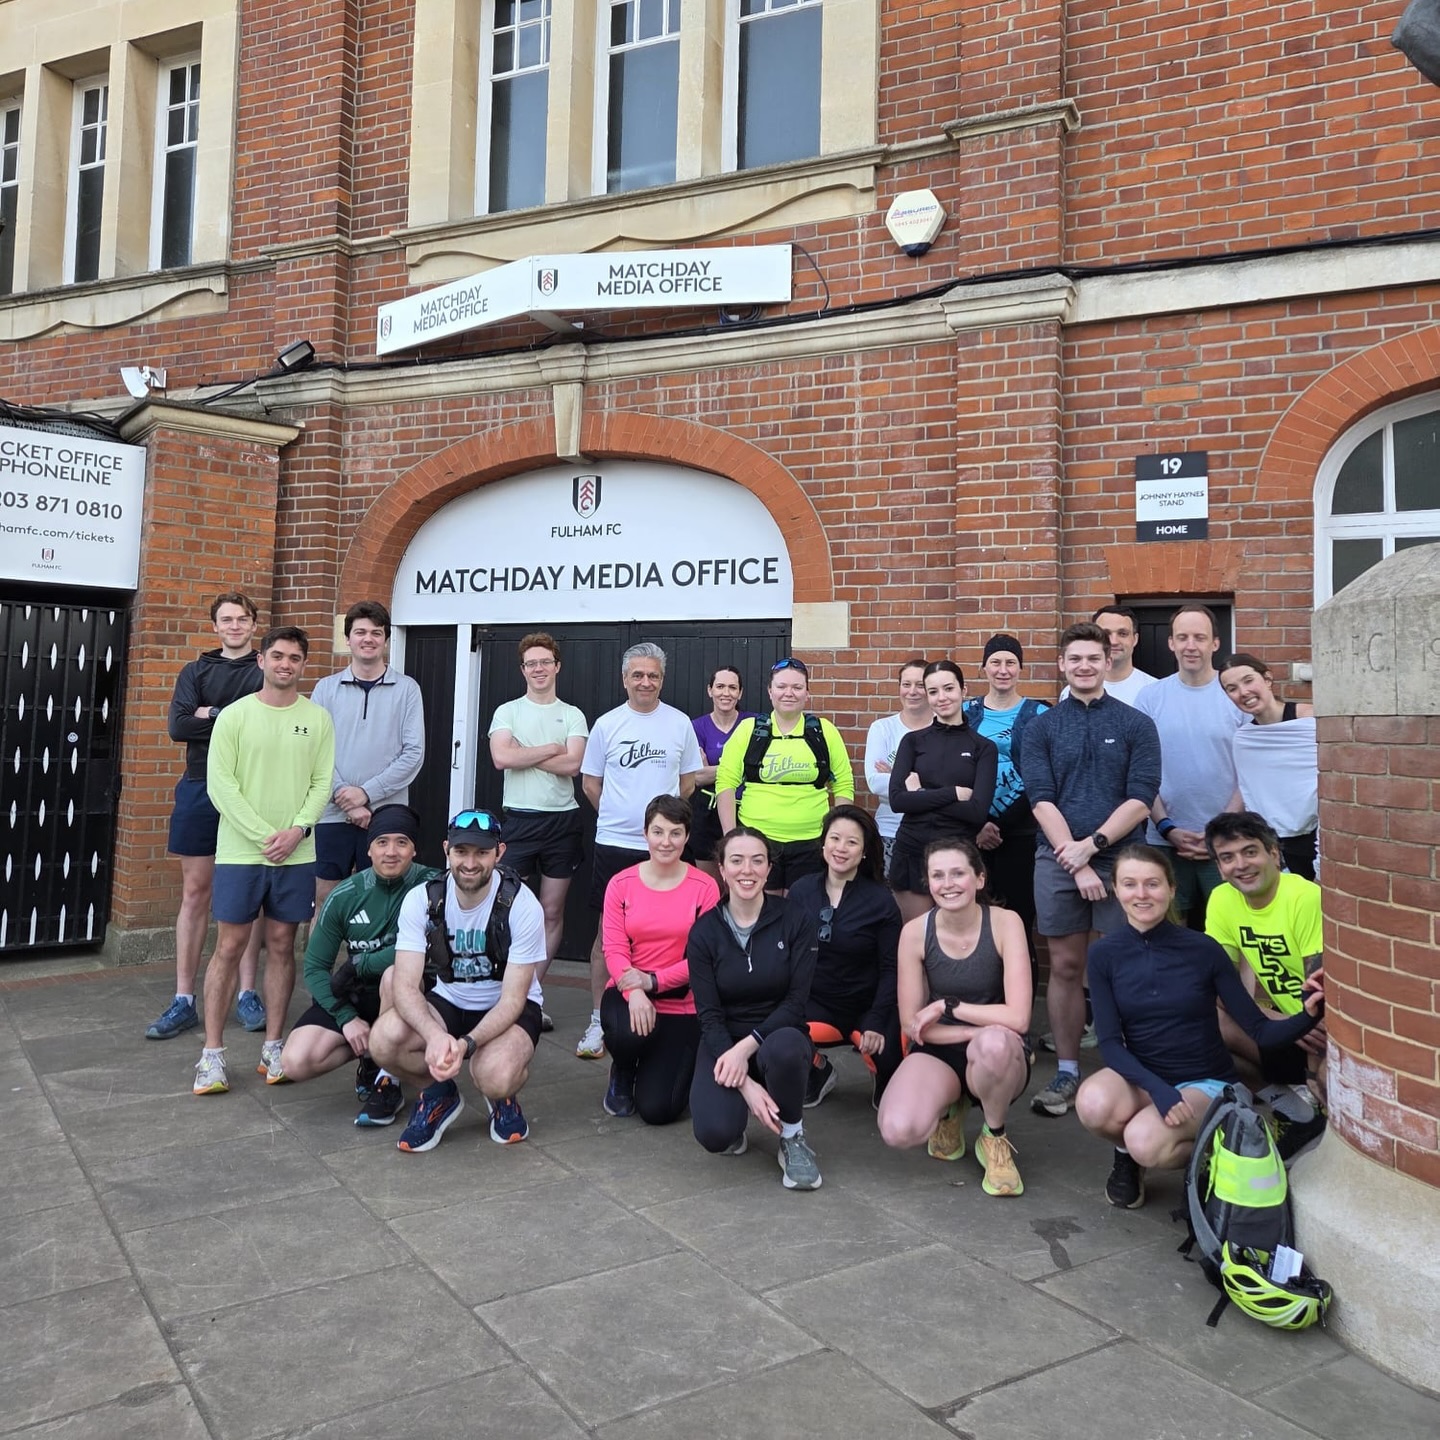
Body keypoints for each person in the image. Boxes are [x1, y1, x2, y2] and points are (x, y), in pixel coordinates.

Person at [1076, 845, 1325, 1208]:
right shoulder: (1103, 954)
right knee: (1093, 1104)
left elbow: (1258, 1029)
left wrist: (1309, 1015)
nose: (1141, 894)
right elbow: (1111, 1043)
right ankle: (1126, 1157)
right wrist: (1159, 1090)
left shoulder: (1203, 950)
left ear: (1171, 889)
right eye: (1130, 884)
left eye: (1152, 884)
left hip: (1206, 1083)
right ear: (1116, 890)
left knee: (1145, 1141)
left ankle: (1215, 1154)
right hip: (1146, 1078)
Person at [1020, 622, 1160, 1117]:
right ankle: (1067, 1071)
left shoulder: (1136, 724)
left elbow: (1141, 797)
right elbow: (1040, 798)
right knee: (1064, 966)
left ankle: (1130, 1070)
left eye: (1093, 658)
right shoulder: (1041, 728)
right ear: (1062, 664)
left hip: (1123, 861)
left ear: (1108, 661)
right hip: (1058, 860)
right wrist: (1074, 858)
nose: (1084, 666)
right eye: (1075, 658)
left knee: (1125, 966)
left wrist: (1094, 846)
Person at [194, 626, 335, 1095]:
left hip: (297, 853)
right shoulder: (235, 717)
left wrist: (297, 831)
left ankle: (274, 1046)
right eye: (277, 656)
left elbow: (321, 783)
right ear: (261, 660)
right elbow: (221, 786)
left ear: (303, 664)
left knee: (281, 944)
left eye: (294, 658)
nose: (285, 664)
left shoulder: (317, 719)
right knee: (229, 947)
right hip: (241, 854)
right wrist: (264, 837)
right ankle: (212, 1054)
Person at [371, 808, 547, 1152]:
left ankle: (503, 1098)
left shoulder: (523, 905)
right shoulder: (422, 898)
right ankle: (439, 1094)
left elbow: (514, 1000)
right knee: (383, 1042)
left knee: (494, 1075)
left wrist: (466, 1044)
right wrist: (435, 1036)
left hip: (503, 1004)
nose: (470, 863)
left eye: (482, 852)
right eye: (461, 851)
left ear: (499, 853)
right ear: (446, 850)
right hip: (449, 998)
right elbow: (405, 985)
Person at [877, 839, 1033, 1197]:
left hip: (999, 1049)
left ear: (979, 878)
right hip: (943, 1045)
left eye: (958, 873)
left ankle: (994, 1137)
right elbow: (911, 1025)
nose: (947, 884)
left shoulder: (1006, 923)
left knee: (993, 1045)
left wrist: (948, 1007)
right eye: (938, 875)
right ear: (928, 883)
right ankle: (951, 1109)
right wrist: (968, 1032)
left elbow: (1020, 1018)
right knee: (898, 1130)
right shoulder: (915, 932)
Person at [148, 591, 266, 1041]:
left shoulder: (264, 669)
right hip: (200, 786)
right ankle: (184, 999)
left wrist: (210, 713)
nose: (235, 626)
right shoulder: (194, 671)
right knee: (196, 892)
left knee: (248, 894)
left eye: (242, 619)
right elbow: (179, 726)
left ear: (253, 624)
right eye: (226, 620)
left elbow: (263, 727)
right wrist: (232, 715)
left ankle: (247, 993)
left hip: (253, 791)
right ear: (215, 626)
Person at [577, 643, 703, 1059]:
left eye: (653, 675)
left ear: (662, 680)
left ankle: (669, 1009)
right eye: (638, 675)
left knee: (675, 933)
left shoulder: (679, 723)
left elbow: (687, 782)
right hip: (615, 844)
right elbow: (590, 783)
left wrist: (660, 829)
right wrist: (621, 816)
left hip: (665, 850)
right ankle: (599, 1018)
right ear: (624, 679)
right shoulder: (607, 725)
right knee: (606, 937)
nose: (645, 682)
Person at [276, 804, 439, 1125]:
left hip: (416, 994)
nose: (391, 852)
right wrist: (346, 1017)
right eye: (382, 842)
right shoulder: (346, 895)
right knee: (295, 1061)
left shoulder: (433, 886)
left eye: (401, 842)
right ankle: (373, 1055)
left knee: (394, 975)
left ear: (414, 849)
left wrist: (359, 963)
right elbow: (315, 967)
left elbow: (421, 950)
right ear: (369, 849)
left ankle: (388, 1082)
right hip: (360, 995)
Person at [687, 826, 822, 1189]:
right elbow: (709, 1015)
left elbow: (796, 1002)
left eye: (757, 861)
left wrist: (747, 1047)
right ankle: (739, 1110)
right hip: (725, 1041)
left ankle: (792, 1135)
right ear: (721, 869)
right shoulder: (703, 932)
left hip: (779, 1035)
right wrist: (744, 1082)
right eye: (737, 861)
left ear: (768, 869)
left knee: (787, 1048)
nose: (747, 870)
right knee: (716, 1135)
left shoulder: (796, 919)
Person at [1203, 811, 1327, 1134]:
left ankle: (1321, 1113)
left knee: (1329, 1080)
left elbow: (1321, 993)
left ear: (1274, 853)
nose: (1240, 865)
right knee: (1202, 1023)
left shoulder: (1304, 897)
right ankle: (1294, 1112)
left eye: (1250, 852)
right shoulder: (1222, 899)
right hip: (1282, 1026)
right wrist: (1278, 1021)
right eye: (1227, 857)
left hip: (1325, 1031)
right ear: (1219, 867)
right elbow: (1216, 987)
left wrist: (1303, 1034)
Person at [599, 794, 720, 1122]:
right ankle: (623, 1069)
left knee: (658, 1110)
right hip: (629, 993)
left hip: (682, 1002)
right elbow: (614, 948)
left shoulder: (705, 887)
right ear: (645, 834)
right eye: (658, 832)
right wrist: (635, 991)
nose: (666, 842)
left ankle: (662, 1065)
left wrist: (653, 982)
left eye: (675, 833)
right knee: (626, 1033)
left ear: (687, 836)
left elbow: (703, 959)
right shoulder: (621, 884)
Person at [489, 631, 589, 1016]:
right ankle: (501, 992)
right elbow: (501, 758)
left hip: (563, 823)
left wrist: (524, 753)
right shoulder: (508, 711)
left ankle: (529, 995)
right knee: (505, 908)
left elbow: (574, 765)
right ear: (523, 669)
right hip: (520, 820)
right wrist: (550, 749)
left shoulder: (573, 714)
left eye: (545, 661)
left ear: (557, 666)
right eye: (531, 663)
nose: (538, 669)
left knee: (551, 911)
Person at [1133, 605, 1246, 921]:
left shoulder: (1236, 696)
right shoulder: (1149, 697)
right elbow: (1141, 771)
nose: (1190, 646)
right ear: (1171, 643)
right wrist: (1166, 827)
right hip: (1164, 841)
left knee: (1230, 933)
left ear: (1215, 643)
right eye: (1182, 637)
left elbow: (1252, 771)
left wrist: (1219, 830)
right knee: (1169, 933)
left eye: (1200, 637)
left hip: (1229, 842)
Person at [310, 600, 425, 912]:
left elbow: (413, 754)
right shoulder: (325, 689)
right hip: (332, 812)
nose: (368, 639)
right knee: (325, 900)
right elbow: (314, 753)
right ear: (348, 638)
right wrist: (345, 798)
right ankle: (324, 950)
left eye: (376, 633)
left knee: (380, 903)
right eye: (360, 632)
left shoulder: (407, 689)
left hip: (385, 815)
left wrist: (365, 794)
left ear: (386, 640)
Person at [788, 805, 903, 1109]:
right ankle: (818, 1071)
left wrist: (877, 1018)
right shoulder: (801, 891)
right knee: (778, 1031)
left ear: (864, 852)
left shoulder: (881, 901)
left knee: (893, 1054)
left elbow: (891, 968)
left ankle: (884, 1076)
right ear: (823, 842)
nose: (841, 848)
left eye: (852, 842)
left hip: (868, 1005)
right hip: (816, 1001)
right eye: (835, 838)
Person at [715, 657, 855, 892]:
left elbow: (843, 784)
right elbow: (726, 782)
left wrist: (838, 835)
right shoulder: (749, 730)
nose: (788, 693)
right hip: (757, 842)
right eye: (781, 686)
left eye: (797, 687)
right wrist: (732, 838)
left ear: (807, 693)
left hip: (811, 843)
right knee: (763, 908)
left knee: (802, 908)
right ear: (770, 691)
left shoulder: (824, 731)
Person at [887, 660, 998, 923]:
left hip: (958, 855)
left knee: (956, 937)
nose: (942, 697)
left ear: (963, 690)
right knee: (916, 936)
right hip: (912, 851)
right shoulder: (912, 741)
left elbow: (976, 812)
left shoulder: (983, 748)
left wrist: (920, 794)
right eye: (933, 691)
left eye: (948, 688)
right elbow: (898, 800)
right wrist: (953, 793)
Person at [963, 635, 1050, 956]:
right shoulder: (964, 712)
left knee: (1017, 920)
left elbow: (1043, 776)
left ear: (1020, 668)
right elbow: (952, 771)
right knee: (972, 920)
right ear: (984, 667)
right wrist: (978, 823)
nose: (1003, 670)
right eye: (996, 662)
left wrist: (999, 825)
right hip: (971, 832)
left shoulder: (1040, 713)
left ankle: (1019, 987)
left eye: (1011, 663)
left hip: (1021, 833)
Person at [1218, 654, 1318, 880]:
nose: (1243, 692)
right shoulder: (1244, 739)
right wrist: (1219, 830)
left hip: (1318, 837)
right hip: (1272, 844)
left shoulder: (1311, 720)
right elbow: (1249, 790)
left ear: (1267, 679)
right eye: (1232, 688)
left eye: (1248, 680)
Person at [863, 659, 931, 873]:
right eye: (906, 684)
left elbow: (953, 784)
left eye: (920, 685)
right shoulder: (882, 728)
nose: (912, 691)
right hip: (889, 832)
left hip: (933, 833)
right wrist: (925, 785)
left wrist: (895, 776)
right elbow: (875, 783)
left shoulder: (945, 729)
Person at [690, 666, 752, 879]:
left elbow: (762, 768)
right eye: (720, 686)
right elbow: (697, 777)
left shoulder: (753, 724)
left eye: (733, 687)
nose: (726, 693)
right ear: (710, 690)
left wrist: (712, 769)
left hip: (747, 813)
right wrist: (742, 765)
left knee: (743, 878)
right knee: (710, 884)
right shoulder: (696, 727)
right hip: (707, 815)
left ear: (740, 693)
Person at [1061, 606, 1157, 706]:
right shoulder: (1070, 693)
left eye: (1122, 634)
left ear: (1135, 639)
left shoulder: (1154, 690)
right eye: (1105, 634)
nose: (1113, 641)